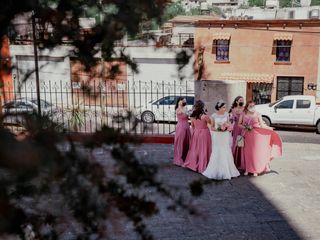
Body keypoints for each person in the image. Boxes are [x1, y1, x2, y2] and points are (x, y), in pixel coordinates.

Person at [238, 101, 283, 176]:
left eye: (253, 106)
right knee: (247, 153)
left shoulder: (258, 114)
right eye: (250, 106)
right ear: (247, 107)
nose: (252, 107)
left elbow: (262, 125)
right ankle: (247, 169)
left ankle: (255, 170)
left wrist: (269, 128)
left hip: (256, 135)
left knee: (255, 153)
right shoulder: (243, 114)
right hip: (246, 136)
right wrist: (245, 127)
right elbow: (238, 124)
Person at [202, 100, 240, 180]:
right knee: (217, 150)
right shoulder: (213, 116)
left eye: (225, 107)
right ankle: (215, 170)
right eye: (223, 107)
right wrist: (217, 129)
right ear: (219, 108)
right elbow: (211, 127)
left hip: (225, 135)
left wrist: (227, 127)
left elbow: (229, 124)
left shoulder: (227, 115)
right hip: (217, 135)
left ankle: (228, 170)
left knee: (226, 150)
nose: (225, 109)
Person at [183, 100, 212, 173]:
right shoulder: (205, 116)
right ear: (203, 107)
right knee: (203, 149)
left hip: (196, 132)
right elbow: (211, 123)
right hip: (204, 133)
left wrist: (196, 131)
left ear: (195, 106)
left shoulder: (192, 116)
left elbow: (192, 126)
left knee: (195, 149)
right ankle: (203, 164)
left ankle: (193, 164)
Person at [173, 97, 191, 166]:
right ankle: (179, 159)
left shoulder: (185, 108)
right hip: (181, 127)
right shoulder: (178, 109)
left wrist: (190, 113)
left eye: (185, 101)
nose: (184, 102)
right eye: (183, 101)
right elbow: (183, 112)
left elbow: (188, 116)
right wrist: (186, 110)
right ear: (179, 101)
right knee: (180, 143)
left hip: (187, 127)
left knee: (187, 143)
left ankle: (186, 158)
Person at [230, 96, 245, 169]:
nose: (242, 101)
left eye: (242, 100)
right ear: (236, 101)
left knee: (242, 144)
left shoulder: (244, 108)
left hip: (243, 127)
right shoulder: (233, 109)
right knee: (236, 143)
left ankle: (242, 161)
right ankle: (235, 161)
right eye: (240, 100)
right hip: (236, 128)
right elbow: (232, 119)